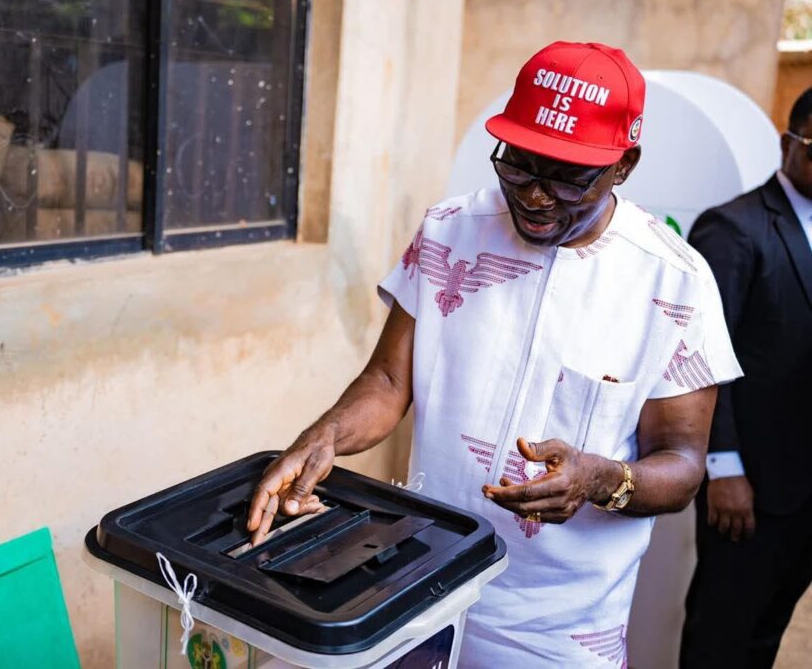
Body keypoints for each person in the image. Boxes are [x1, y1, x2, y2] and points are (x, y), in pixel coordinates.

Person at [247, 41, 742, 667]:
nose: (536, 196)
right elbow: (390, 376)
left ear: (624, 166)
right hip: (419, 578)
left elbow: (682, 465)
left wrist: (597, 478)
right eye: (520, 165)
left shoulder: (675, 283)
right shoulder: (449, 228)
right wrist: (324, 438)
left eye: (567, 177)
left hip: (557, 626)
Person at [679, 87, 812, 669]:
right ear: (790, 144)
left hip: (807, 485)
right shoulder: (732, 229)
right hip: (750, 487)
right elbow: (700, 357)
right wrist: (723, 468)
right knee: (721, 633)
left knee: (766, 633)